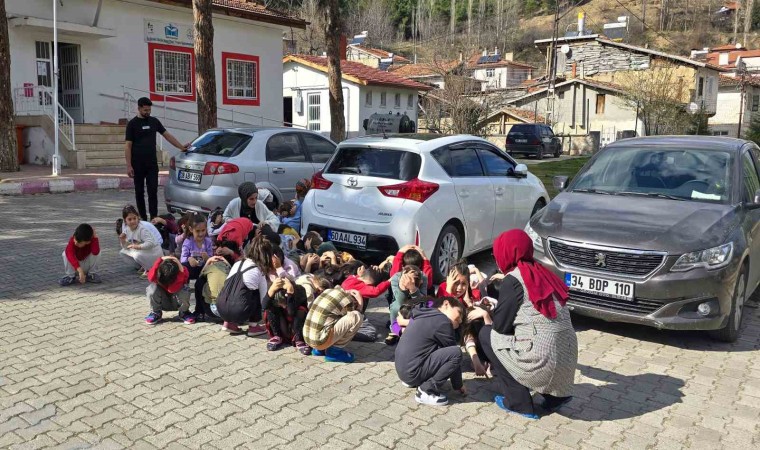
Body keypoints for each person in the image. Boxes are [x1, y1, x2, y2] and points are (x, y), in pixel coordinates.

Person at [479, 230, 577, 419]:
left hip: (542, 363)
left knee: (487, 334)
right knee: (538, 338)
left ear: (506, 252)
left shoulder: (513, 280)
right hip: (566, 364)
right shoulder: (543, 273)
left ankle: (518, 402)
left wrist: (486, 312)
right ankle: (555, 397)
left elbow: (500, 327)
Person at [394, 296, 467, 407]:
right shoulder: (443, 321)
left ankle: (414, 381)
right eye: (459, 313)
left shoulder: (425, 314)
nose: (460, 320)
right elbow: (453, 355)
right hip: (412, 372)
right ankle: (426, 391)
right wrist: (458, 385)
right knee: (456, 353)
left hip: (403, 371)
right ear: (446, 304)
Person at [125, 97, 189, 220]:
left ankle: (153, 218)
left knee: (152, 192)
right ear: (138, 108)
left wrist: (181, 147)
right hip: (137, 164)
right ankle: (142, 218)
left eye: (149, 110)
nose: (147, 112)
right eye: (145, 110)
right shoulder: (132, 124)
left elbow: (167, 135)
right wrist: (129, 165)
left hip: (152, 164)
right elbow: (128, 145)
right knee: (139, 193)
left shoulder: (154, 121)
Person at [221, 236, 273, 336]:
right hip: (239, 310)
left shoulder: (238, 263)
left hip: (221, 307)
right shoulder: (258, 269)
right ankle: (253, 326)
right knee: (256, 293)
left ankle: (228, 323)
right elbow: (263, 298)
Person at [303, 287, 365, 363]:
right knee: (356, 316)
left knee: (332, 317)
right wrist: (360, 305)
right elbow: (351, 317)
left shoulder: (328, 291)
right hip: (319, 341)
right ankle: (334, 353)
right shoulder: (348, 301)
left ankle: (319, 351)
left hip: (307, 338)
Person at [262, 277, 311, 355]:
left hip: (296, 326)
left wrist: (290, 291)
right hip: (282, 325)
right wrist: (271, 290)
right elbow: (264, 307)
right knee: (269, 308)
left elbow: (291, 312)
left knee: (301, 310)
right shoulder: (273, 290)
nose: (283, 305)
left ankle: (299, 340)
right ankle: (277, 336)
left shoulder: (300, 290)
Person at [179, 214, 214, 318]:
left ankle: (200, 311)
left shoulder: (208, 242)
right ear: (191, 229)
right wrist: (189, 259)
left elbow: (212, 259)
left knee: (199, 285)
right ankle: (184, 309)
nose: (201, 234)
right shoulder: (188, 241)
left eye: (203, 230)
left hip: (203, 269)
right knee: (183, 275)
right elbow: (183, 259)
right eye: (197, 231)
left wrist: (207, 258)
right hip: (191, 268)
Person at [144, 256, 195, 325]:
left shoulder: (183, 271)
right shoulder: (158, 273)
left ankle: (184, 312)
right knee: (152, 288)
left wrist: (180, 269)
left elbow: (171, 289)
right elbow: (150, 278)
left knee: (184, 289)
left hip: (176, 302)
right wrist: (160, 259)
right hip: (163, 302)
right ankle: (156, 312)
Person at [385, 265, 427, 345]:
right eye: (408, 278)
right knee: (396, 307)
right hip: (400, 301)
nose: (410, 281)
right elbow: (401, 302)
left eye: (413, 280)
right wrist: (402, 288)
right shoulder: (396, 278)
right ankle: (395, 330)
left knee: (422, 308)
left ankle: (409, 330)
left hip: (416, 301)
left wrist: (413, 289)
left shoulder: (423, 277)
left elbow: (423, 301)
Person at [119, 205, 164, 275]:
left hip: (154, 251)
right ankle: (143, 266)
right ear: (125, 221)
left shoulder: (142, 229)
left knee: (137, 255)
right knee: (122, 252)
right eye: (130, 219)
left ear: (138, 217)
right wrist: (122, 240)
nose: (133, 221)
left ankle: (151, 269)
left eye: (134, 218)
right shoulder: (127, 229)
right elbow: (126, 247)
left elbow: (151, 243)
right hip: (143, 251)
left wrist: (138, 247)